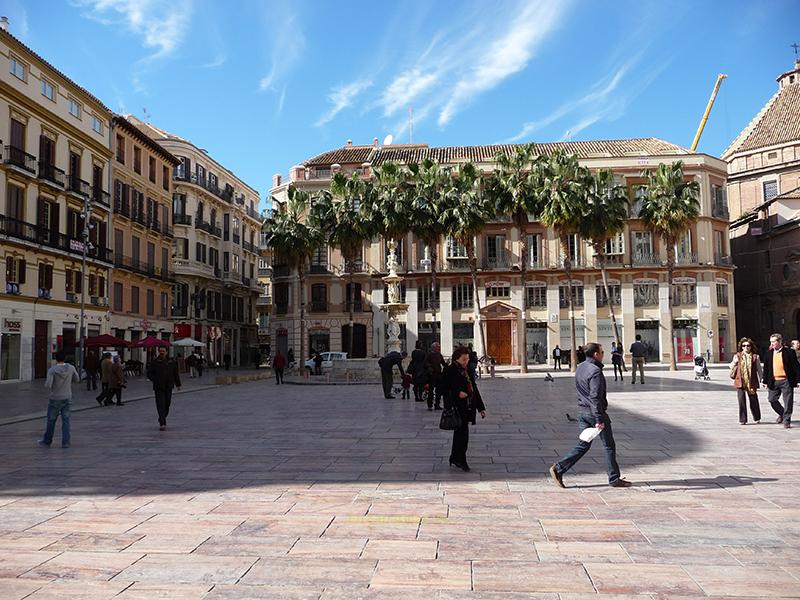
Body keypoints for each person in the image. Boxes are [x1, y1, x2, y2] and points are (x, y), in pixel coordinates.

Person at [549, 342, 632, 488]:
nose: (603, 354)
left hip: (582, 411)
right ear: (596, 354)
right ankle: (614, 478)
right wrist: (599, 418)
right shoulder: (595, 372)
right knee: (609, 446)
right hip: (595, 413)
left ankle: (559, 468)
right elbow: (595, 397)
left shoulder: (580, 368)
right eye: (602, 352)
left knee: (583, 445)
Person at [444, 346, 487, 472]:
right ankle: (460, 460)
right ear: (456, 359)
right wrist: (457, 393)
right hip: (457, 407)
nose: (466, 362)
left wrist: (481, 408)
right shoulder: (450, 370)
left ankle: (454, 457)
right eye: (463, 360)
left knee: (460, 434)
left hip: (468, 406)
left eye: (467, 359)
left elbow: (474, 389)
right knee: (462, 435)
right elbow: (443, 388)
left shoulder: (467, 370)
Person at [39, 350, 79, 448]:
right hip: (67, 397)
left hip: (55, 398)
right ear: (65, 358)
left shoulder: (52, 370)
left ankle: (47, 441)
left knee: (51, 421)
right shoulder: (71, 368)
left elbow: (48, 384)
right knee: (66, 421)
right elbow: (77, 379)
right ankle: (66, 443)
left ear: (56, 359)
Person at [762, 333, 799, 429]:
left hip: (786, 380)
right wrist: (764, 381)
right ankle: (782, 414)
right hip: (773, 381)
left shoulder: (789, 352)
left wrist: (798, 380)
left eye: (773, 342)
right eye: (771, 342)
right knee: (772, 399)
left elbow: (796, 367)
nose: (772, 344)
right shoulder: (768, 353)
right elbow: (766, 369)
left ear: (780, 342)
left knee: (788, 402)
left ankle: (787, 421)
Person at [146, 347, 182, 431]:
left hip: (169, 386)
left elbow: (175, 374)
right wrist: (155, 380)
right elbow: (149, 374)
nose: (161, 352)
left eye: (163, 351)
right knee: (160, 404)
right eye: (160, 351)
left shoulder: (171, 362)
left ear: (167, 352)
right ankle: (162, 422)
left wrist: (178, 384)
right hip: (159, 387)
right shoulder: (155, 362)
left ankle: (162, 417)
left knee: (167, 403)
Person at [729, 337, 763, 425]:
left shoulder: (755, 357)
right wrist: (735, 362)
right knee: (741, 400)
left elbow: (759, 369)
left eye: (748, 345)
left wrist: (762, 379)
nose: (746, 347)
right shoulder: (737, 356)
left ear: (751, 347)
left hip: (751, 381)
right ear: (741, 347)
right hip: (740, 381)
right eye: (744, 346)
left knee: (753, 400)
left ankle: (757, 417)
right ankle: (743, 419)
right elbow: (731, 366)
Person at [425, 342, 446, 411]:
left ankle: (437, 404)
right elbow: (426, 363)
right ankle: (430, 405)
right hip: (432, 375)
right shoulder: (429, 355)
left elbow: (443, 363)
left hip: (439, 374)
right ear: (434, 348)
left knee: (439, 391)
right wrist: (430, 367)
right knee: (431, 390)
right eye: (438, 347)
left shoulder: (439, 355)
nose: (439, 348)